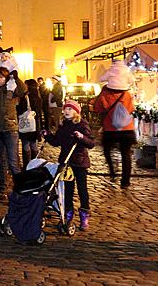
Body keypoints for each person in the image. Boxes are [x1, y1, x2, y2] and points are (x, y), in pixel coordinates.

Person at [42, 100, 95, 230]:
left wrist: (81, 137)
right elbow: (57, 142)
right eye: (65, 109)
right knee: (67, 190)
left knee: (82, 190)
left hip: (80, 162)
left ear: (76, 112)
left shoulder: (82, 124)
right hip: (66, 162)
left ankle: (84, 216)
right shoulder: (64, 125)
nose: (66, 111)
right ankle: (68, 214)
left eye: (70, 109)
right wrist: (48, 136)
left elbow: (91, 143)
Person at [92, 60, 136, 188]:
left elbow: (97, 108)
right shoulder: (126, 94)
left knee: (107, 150)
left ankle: (112, 172)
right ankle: (125, 181)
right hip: (127, 129)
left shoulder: (105, 93)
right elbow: (131, 109)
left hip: (110, 128)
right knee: (126, 154)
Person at [0, 67, 26, 201]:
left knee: (13, 162)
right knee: (0, 162)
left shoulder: (11, 91)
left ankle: (20, 191)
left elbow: (23, 90)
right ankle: (1, 189)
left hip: (10, 129)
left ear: (6, 78)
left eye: (1, 77)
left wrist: (16, 78)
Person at [18, 79, 43, 169]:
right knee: (33, 144)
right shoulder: (38, 96)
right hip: (35, 124)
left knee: (25, 144)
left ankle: (27, 165)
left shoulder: (26, 97)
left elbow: (21, 109)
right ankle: (34, 164)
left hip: (27, 123)